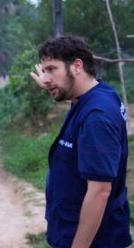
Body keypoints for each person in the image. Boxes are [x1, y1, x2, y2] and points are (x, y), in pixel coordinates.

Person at [30, 36, 132, 248]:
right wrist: (51, 84)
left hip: (94, 239)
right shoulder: (96, 92)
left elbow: (100, 192)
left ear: (77, 66)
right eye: (44, 71)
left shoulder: (96, 117)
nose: (46, 77)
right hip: (78, 228)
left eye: (51, 69)